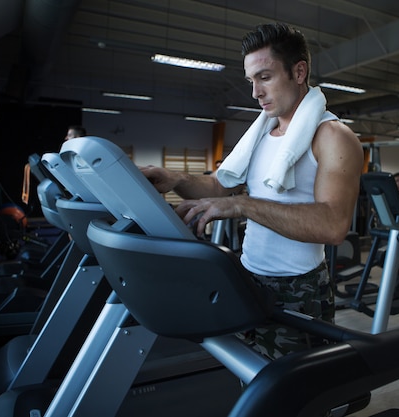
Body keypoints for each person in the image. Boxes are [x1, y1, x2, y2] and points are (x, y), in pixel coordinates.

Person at [141, 22, 363, 359]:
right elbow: (218, 186)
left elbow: (333, 225)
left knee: (296, 399)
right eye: (251, 81)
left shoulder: (332, 136)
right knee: (253, 380)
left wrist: (244, 205)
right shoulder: (261, 133)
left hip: (298, 289)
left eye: (265, 77)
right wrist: (174, 178)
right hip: (250, 277)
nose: (255, 92)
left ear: (299, 71)